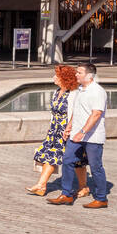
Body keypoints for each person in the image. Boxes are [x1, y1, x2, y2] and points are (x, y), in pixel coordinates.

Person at [48, 61, 110, 209]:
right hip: (76, 135)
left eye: (79, 72)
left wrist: (82, 132)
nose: (76, 74)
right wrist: (69, 128)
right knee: (67, 160)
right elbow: (77, 111)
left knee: (96, 167)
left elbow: (96, 114)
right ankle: (66, 194)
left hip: (92, 138)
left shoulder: (97, 91)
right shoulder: (81, 90)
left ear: (89, 76)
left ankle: (101, 198)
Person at [26, 65, 88, 198]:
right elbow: (53, 113)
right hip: (55, 131)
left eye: (57, 76)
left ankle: (84, 187)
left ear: (64, 78)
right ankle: (41, 185)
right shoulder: (56, 92)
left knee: (78, 161)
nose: (53, 78)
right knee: (50, 156)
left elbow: (77, 113)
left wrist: (72, 129)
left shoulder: (74, 94)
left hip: (68, 130)